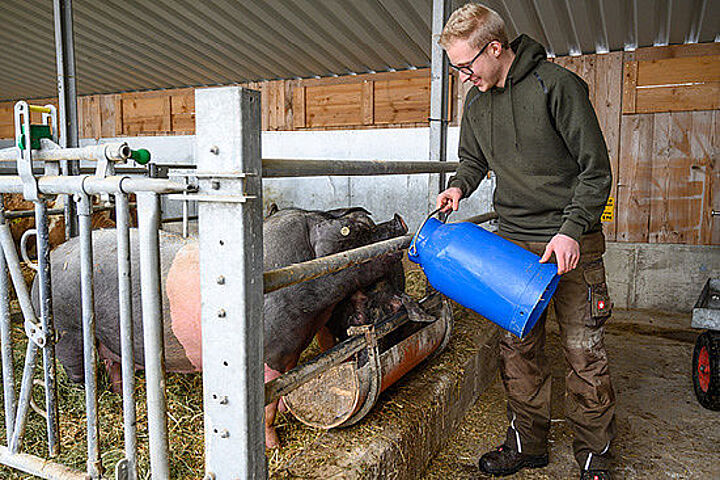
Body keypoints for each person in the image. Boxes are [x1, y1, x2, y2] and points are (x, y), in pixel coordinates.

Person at [436, 4, 615, 480]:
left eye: (465, 65)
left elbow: (596, 172)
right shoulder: (475, 103)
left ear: (495, 48)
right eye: (456, 68)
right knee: (518, 350)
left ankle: (594, 454)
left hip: (572, 242)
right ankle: (527, 443)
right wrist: (459, 185)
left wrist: (572, 229)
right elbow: (473, 160)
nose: (462, 76)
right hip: (513, 247)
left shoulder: (556, 87)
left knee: (584, 351)